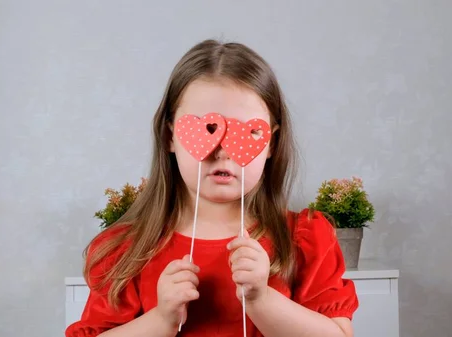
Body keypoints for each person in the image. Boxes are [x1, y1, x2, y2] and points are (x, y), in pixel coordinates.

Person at [65, 39, 359, 337]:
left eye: (248, 132)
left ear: (271, 143)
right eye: (206, 130)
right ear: (170, 136)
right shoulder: (127, 250)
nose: (223, 151)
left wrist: (262, 300)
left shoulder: (304, 240)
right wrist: (162, 320)